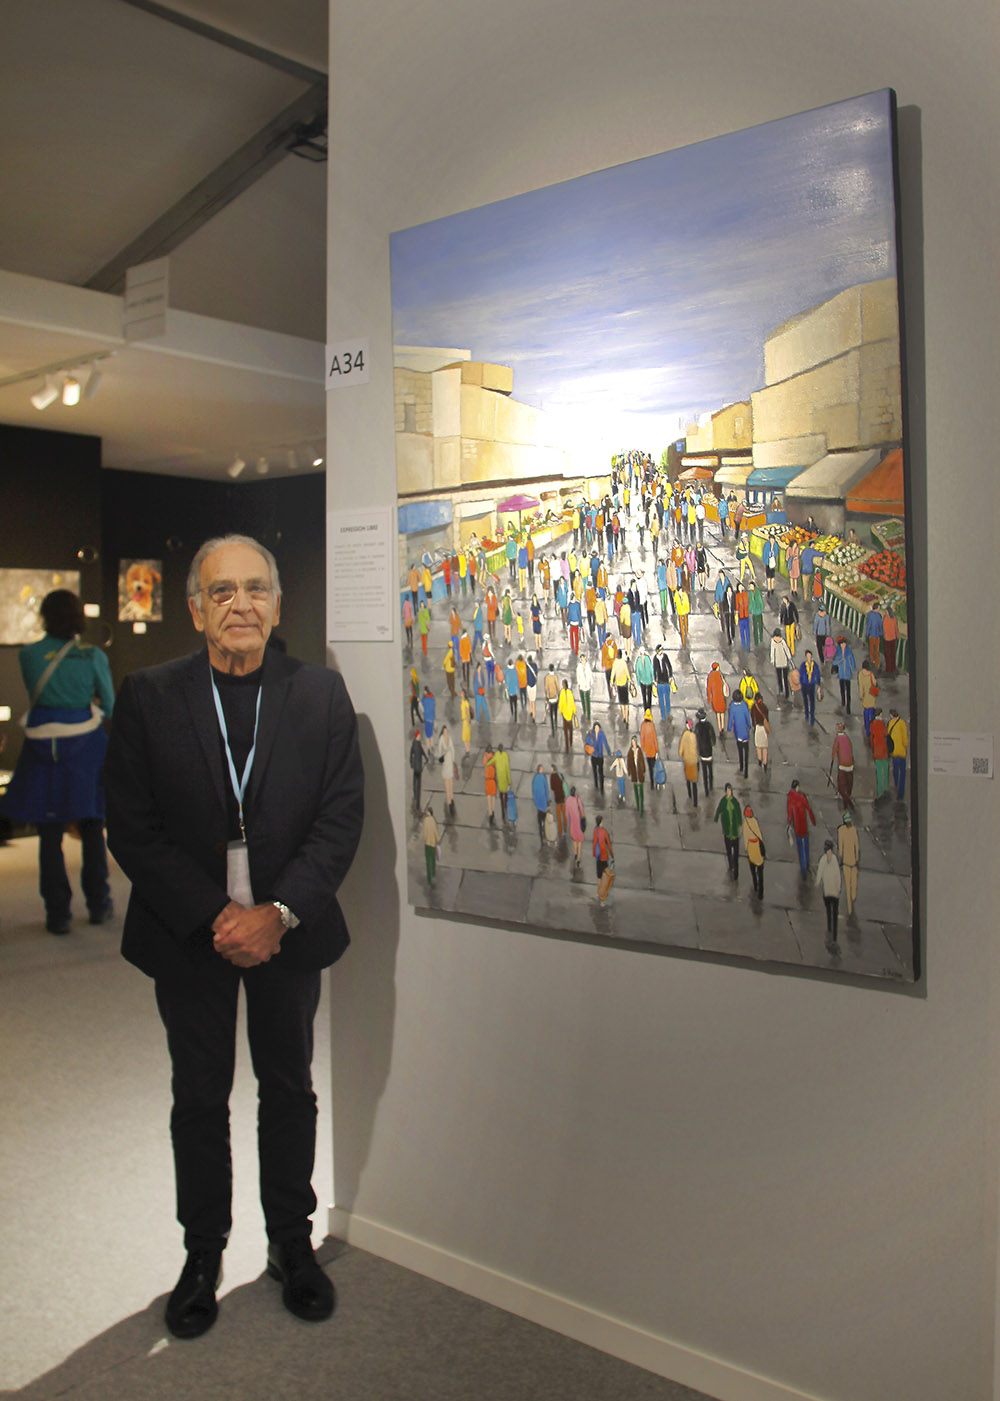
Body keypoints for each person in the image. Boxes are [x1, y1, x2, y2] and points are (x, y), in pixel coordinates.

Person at [103, 535, 363, 1338]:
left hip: (288, 932)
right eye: (222, 591)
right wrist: (218, 915)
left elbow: (339, 819)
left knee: (289, 1087)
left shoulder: (320, 693)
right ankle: (202, 1254)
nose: (241, 604)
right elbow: (132, 825)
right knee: (198, 1095)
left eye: (255, 589)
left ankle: (291, 1241)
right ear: (195, 609)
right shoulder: (149, 695)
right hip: (190, 933)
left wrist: (276, 913)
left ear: (278, 605)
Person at [1, 589, 115, 934]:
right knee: (92, 828)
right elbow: (110, 704)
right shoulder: (92, 655)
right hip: (86, 747)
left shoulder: (29, 655)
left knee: (49, 834)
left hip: (41, 748)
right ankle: (99, 904)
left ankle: (57, 913)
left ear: (45, 617)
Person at [816, 840, 842, 948]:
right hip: (835, 892)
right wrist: (839, 888)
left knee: (828, 910)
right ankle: (834, 935)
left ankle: (829, 927)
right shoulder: (835, 860)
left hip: (827, 891)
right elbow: (838, 876)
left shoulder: (823, 859)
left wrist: (817, 883)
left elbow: (819, 873)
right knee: (835, 912)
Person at [786, 779, 815, 876]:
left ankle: (803, 869)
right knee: (806, 846)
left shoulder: (790, 797)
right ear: (797, 787)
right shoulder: (801, 797)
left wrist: (790, 821)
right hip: (803, 825)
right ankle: (807, 864)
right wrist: (813, 820)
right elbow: (808, 808)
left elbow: (789, 812)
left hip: (797, 826)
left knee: (800, 848)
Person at [714, 782, 742, 880]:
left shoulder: (735, 802)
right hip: (727, 831)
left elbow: (738, 813)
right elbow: (719, 809)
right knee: (729, 851)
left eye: (730, 790)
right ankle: (731, 865)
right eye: (728, 790)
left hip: (734, 832)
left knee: (736, 854)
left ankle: (736, 872)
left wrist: (740, 824)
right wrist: (716, 817)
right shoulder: (723, 801)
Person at [838, 811, 860, 918]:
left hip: (846, 862)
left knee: (848, 885)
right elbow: (857, 846)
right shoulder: (853, 830)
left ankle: (850, 905)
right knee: (852, 883)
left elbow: (840, 847)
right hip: (853, 862)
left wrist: (840, 859)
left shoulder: (841, 830)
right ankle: (852, 901)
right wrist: (857, 858)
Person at [727, 690, 753, 779]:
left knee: (740, 750)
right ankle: (746, 771)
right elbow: (747, 717)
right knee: (746, 752)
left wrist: (729, 727)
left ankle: (741, 766)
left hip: (737, 732)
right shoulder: (744, 705)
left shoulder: (732, 706)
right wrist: (750, 726)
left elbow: (731, 718)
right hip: (745, 732)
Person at [742, 804, 765, 898]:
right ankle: (761, 891)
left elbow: (745, 837)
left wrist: (746, 848)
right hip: (757, 846)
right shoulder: (755, 821)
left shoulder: (745, 823)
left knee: (752, 868)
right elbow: (759, 834)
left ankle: (755, 885)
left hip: (751, 847)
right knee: (760, 869)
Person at [831, 722, 854, 807]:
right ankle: (847, 799)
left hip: (842, 764)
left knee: (841, 785)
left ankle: (846, 799)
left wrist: (833, 759)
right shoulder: (847, 738)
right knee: (849, 783)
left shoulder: (838, 738)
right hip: (850, 764)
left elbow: (834, 750)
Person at [694, 708, 716, 796]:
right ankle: (711, 785)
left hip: (702, 752)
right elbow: (713, 739)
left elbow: (696, 739)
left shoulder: (697, 727)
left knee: (704, 772)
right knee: (710, 770)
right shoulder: (709, 726)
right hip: (709, 751)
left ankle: (706, 789)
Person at [887, 708, 908, 799]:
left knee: (895, 771)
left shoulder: (890, 723)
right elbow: (905, 738)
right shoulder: (902, 723)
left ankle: (896, 786)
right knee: (902, 772)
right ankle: (901, 793)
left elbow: (888, 736)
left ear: (891, 715)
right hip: (902, 751)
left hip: (895, 751)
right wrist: (905, 745)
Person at [585, 719, 611, 793]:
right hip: (593, 756)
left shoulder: (601, 734)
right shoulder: (591, 734)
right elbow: (587, 741)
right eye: (596, 728)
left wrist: (608, 752)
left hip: (600, 756)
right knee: (594, 772)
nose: (597, 729)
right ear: (594, 728)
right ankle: (596, 784)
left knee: (601, 772)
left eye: (598, 728)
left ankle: (601, 787)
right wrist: (592, 744)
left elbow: (605, 743)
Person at [678, 719, 700, 806]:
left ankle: (690, 794)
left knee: (688, 779)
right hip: (694, 761)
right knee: (694, 782)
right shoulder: (694, 736)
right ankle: (695, 801)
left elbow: (681, 747)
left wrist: (681, 754)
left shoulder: (685, 735)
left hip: (687, 760)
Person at [832, 635, 856, 711]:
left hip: (847, 674)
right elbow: (835, 662)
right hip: (841, 674)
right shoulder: (838, 652)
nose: (843, 645)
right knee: (842, 689)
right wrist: (841, 660)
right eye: (841, 644)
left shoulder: (848, 651)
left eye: (844, 643)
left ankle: (848, 706)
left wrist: (853, 668)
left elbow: (852, 660)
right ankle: (843, 701)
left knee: (848, 691)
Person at [870, 707, 890, 798]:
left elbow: (871, 738)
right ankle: (886, 788)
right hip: (883, 749)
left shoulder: (872, 724)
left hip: (877, 750)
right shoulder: (882, 724)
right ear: (879, 714)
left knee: (878, 772)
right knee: (885, 770)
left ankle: (880, 791)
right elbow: (885, 734)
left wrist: (873, 747)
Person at [437, 724, 457, 814]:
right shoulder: (441, 739)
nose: (445, 732)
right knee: (447, 781)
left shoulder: (449, 738)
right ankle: (449, 800)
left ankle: (451, 797)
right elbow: (439, 750)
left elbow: (452, 749)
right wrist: (443, 753)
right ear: (443, 732)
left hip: (449, 761)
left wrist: (453, 759)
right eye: (444, 731)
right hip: (445, 762)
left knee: (450, 781)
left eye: (446, 731)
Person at [592, 816, 614, 898]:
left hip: (598, 857)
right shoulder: (604, 832)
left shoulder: (595, 831)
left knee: (599, 876)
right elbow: (609, 845)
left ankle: (599, 892)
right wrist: (612, 855)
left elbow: (594, 843)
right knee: (605, 875)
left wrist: (594, 853)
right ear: (601, 822)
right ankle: (604, 893)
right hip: (604, 856)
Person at [798, 648, 821, 726]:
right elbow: (801, 675)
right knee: (805, 701)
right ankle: (807, 715)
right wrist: (801, 683)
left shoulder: (814, 665)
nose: (809, 657)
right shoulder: (803, 665)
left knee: (812, 701)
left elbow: (817, 674)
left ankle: (812, 716)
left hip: (811, 684)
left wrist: (818, 684)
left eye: (810, 655)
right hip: (804, 685)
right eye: (807, 656)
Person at [565, 785, 586, 865]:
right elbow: (581, 809)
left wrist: (567, 821)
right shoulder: (577, 799)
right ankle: (578, 859)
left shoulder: (567, 800)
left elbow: (566, 813)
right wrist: (583, 816)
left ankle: (575, 853)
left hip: (573, 822)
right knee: (579, 841)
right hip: (578, 821)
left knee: (574, 839)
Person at [770, 629, 792, 700]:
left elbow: (772, 652)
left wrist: (773, 660)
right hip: (783, 661)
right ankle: (785, 692)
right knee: (784, 678)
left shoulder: (774, 642)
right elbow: (786, 650)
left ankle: (782, 691)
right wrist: (789, 657)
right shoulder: (781, 641)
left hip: (779, 662)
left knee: (781, 677)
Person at [626, 736, 646, 814]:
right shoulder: (630, 752)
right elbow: (629, 762)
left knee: (641, 790)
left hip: (639, 773)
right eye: (632, 742)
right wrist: (629, 771)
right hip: (634, 773)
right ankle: (638, 805)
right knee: (636, 791)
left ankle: (642, 806)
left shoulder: (639, 750)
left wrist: (643, 769)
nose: (633, 743)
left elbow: (642, 760)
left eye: (634, 742)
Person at [531, 764, 550, 844]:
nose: (542, 770)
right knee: (544, 818)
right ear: (539, 770)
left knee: (539, 816)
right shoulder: (543, 778)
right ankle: (544, 832)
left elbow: (534, 790)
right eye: (542, 769)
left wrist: (535, 800)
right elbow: (546, 789)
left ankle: (541, 833)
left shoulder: (535, 778)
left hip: (538, 801)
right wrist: (548, 800)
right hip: (543, 801)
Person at [653, 645, 673, 719]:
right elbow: (654, 669)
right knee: (661, 699)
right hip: (659, 682)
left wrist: (670, 676)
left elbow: (669, 666)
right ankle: (663, 715)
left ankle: (668, 711)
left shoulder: (665, 656)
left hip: (666, 680)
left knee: (667, 698)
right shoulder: (655, 659)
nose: (661, 652)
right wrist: (655, 679)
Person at [409, 729, 427, 809]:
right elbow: (422, 752)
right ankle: (417, 803)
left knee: (415, 783)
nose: (420, 737)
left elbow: (411, 754)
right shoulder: (418, 745)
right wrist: (426, 758)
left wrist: (411, 763)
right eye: (419, 736)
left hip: (416, 767)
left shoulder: (414, 744)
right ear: (417, 736)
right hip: (418, 767)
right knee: (418, 784)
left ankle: (415, 798)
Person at [558, 678, 577, 753]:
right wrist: (574, 711)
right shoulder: (568, 692)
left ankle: (568, 745)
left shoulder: (564, 693)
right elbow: (571, 702)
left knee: (566, 730)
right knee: (568, 729)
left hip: (566, 714)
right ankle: (569, 744)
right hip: (568, 713)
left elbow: (561, 703)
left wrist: (560, 711)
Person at [494, 742, 512, 821]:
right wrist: (509, 780)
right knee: (505, 794)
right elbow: (507, 768)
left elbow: (492, 762)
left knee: (502, 794)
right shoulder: (505, 755)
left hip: (500, 779)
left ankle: (503, 809)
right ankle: (505, 807)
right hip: (503, 779)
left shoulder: (497, 755)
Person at [423, 804, 440, 886]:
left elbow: (425, 832)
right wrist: (437, 839)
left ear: (429, 812)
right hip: (433, 843)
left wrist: (425, 839)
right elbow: (435, 831)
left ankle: (429, 877)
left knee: (428, 860)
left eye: (427, 811)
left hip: (427, 843)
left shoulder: (426, 820)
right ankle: (433, 874)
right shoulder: (433, 820)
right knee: (433, 860)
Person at [483, 743, 498, 824]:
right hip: (492, 779)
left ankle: (490, 813)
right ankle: (493, 810)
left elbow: (484, 764)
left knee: (489, 796)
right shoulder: (493, 756)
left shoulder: (485, 757)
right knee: (493, 796)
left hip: (488, 779)